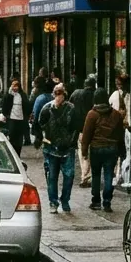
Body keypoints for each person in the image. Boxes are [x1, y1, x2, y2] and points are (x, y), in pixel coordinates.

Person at [80, 89, 123, 212]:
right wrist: (121, 151)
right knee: (109, 174)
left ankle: (96, 201)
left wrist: (84, 151)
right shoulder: (116, 115)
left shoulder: (92, 114)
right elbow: (120, 134)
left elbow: (86, 134)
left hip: (96, 148)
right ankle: (107, 201)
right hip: (112, 149)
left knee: (96, 175)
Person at [38, 85, 78, 215]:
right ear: (53, 94)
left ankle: (65, 200)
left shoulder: (71, 109)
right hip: (50, 149)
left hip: (67, 149)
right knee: (52, 177)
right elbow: (40, 125)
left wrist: (71, 142)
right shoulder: (47, 108)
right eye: (56, 94)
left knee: (69, 176)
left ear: (64, 95)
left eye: (60, 94)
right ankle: (53, 202)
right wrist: (43, 139)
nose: (58, 96)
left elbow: (75, 127)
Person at [71, 77, 97, 188]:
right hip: (92, 129)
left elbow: (70, 107)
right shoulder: (94, 95)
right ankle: (87, 176)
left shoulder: (76, 93)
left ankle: (85, 175)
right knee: (89, 153)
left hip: (79, 129)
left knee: (82, 153)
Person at [0, 77, 30, 154]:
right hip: (11, 119)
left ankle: (18, 153)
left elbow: (27, 106)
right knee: (12, 137)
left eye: (16, 86)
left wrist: (27, 116)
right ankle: (12, 153)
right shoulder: (9, 95)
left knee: (19, 139)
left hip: (21, 119)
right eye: (13, 86)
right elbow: (4, 105)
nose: (14, 87)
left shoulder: (22, 95)